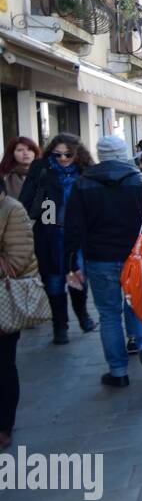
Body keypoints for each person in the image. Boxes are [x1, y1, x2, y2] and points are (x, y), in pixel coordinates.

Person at [64, 135, 142, 388]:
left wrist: (70, 263)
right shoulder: (139, 181)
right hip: (136, 257)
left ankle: (118, 372)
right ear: (123, 154)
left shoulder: (82, 184)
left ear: (101, 154)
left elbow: (73, 228)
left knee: (109, 315)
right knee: (137, 304)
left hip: (99, 259)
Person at [18, 133, 95, 344]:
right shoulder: (41, 168)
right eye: (57, 154)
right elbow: (26, 198)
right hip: (49, 231)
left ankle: (83, 315)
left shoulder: (85, 170)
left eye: (67, 154)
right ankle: (59, 326)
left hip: (77, 235)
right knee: (53, 281)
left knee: (77, 277)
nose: (62, 158)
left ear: (76, 153)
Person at [0, 188, 35, 449]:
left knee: (3, 365)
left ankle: (4, 425)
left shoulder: (11, 208)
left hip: (4, 299)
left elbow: (19, 257)